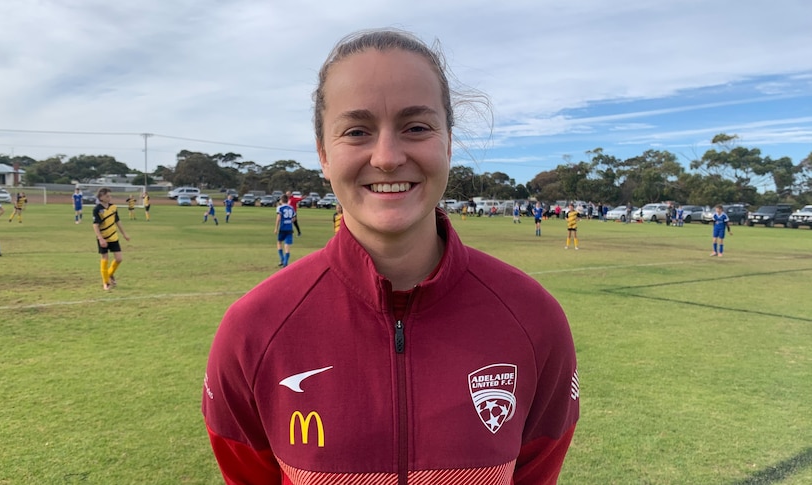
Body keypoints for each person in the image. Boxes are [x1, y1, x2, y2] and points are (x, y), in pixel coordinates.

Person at [202, 29, 579, 484]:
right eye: (357, 131)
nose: (386, 156)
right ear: (323, 153)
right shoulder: (253, 330)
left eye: (416, 127)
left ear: (448, 143)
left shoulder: (533, 319)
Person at [92, 187, 130, 291]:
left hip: (113, 237)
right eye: (107, 196)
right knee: (105, 259)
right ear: (101, 197)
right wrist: (101, 239)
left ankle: (109, 274)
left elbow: (117, 221)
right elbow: (95, 225)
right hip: (103, 238)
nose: (110, 197)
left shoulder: (113, 207)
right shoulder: (97, 209)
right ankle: (106, 282)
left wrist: (124, 234)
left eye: (110, 195)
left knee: (119, 259)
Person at [274, 194, 295, 267]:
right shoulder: (291, 208)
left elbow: (278, 218)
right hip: (289, 228)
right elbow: (294, 218)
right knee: (287, 245)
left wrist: (276, 228)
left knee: (279, 242)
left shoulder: (280, 208)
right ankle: (285, 261)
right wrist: (289, 221)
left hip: (282, 228)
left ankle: (282, 259)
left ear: (281, 200)